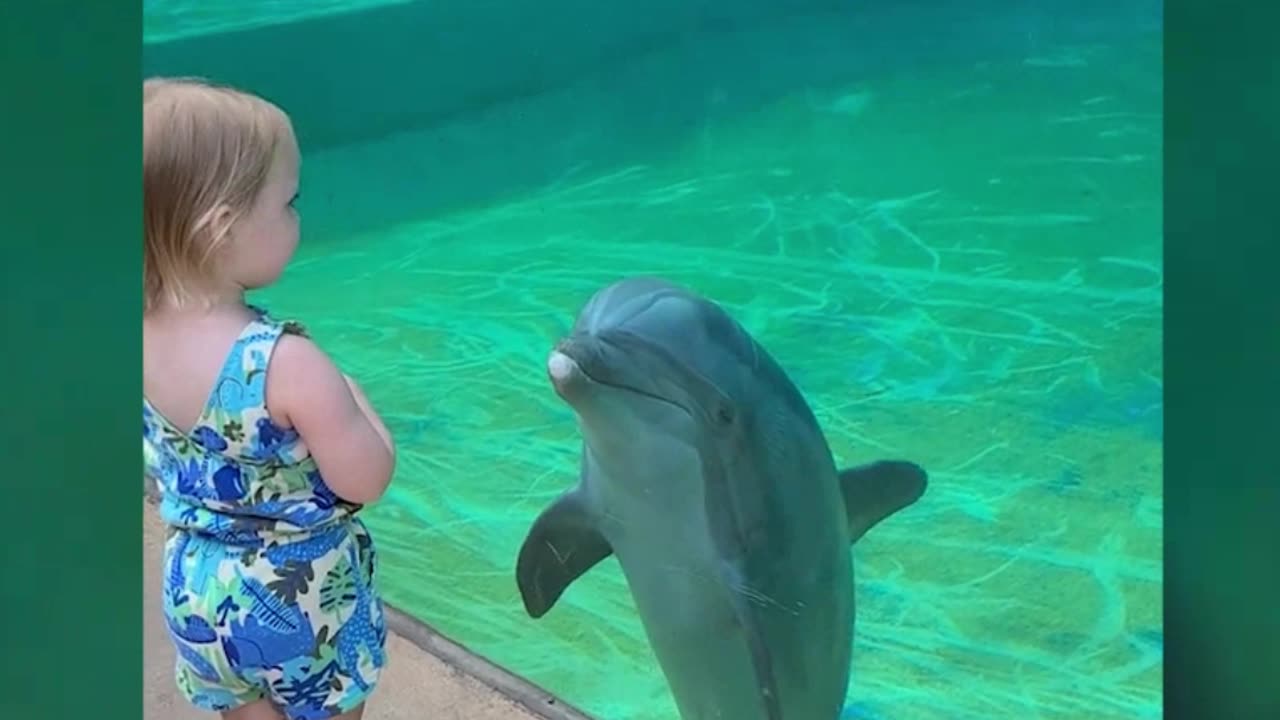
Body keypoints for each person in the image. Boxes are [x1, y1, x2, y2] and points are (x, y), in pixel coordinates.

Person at [142, 77, 396, 720]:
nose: (297, 217)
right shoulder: (285, 363)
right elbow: (365, 478)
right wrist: (359, 406)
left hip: (197, 593)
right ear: (223, 228)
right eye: (288, 202)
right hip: (297, 599)